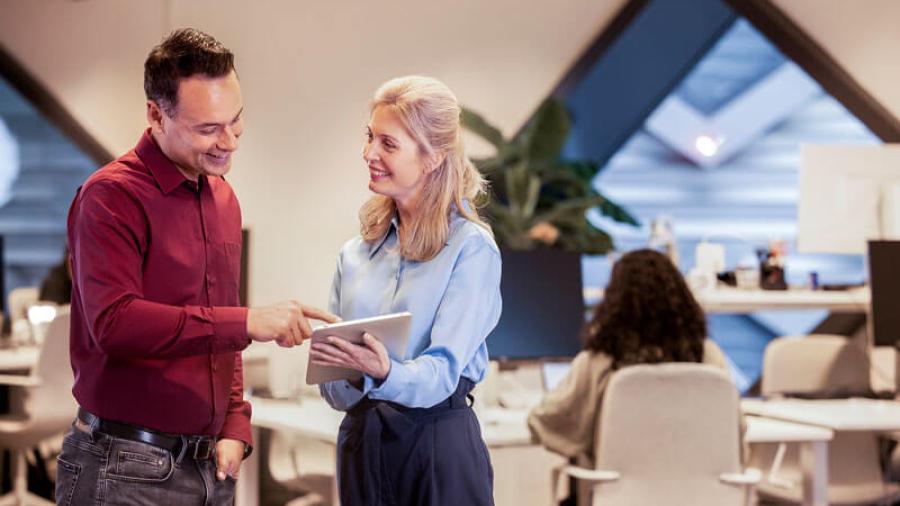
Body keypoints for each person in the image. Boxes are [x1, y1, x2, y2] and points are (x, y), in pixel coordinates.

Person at [57, 28, 336, 505]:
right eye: (208, 128)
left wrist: (234, 421)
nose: (228, 142)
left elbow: (218, 331)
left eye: (236, 121)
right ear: (155, 114)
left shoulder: (222, 197)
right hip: (123, 469)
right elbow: (115, 323)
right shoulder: (110, 197)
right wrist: (248, 320)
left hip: (209, 468)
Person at [309, 75, 501, 505]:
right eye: (370, 137)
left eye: (388, 144)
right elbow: (332, 387)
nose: (369, 153)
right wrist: (348, 370)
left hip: (436, 448)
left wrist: (382, 372)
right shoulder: (354, 255)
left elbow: (442, 372)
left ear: (432, 157)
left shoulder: (471, 251)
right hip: (362, 446)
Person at [528, 248, 732, 461]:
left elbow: (551, 420)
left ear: (614, 301)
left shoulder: (599, 360)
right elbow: (733, 431)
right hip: (699, 490)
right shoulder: (707, 356)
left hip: (618, 492)